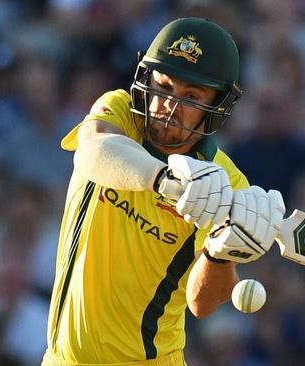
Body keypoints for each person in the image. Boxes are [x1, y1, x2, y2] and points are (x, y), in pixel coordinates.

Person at [42, 17, 285, 365]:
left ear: (215, 109)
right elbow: (93, 151)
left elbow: (202, 304)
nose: (170, 106)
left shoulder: (228, 183)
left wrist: (220, 253)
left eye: (191, 97)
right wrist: (167, 181)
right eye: (165, 87)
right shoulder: (121, 113)